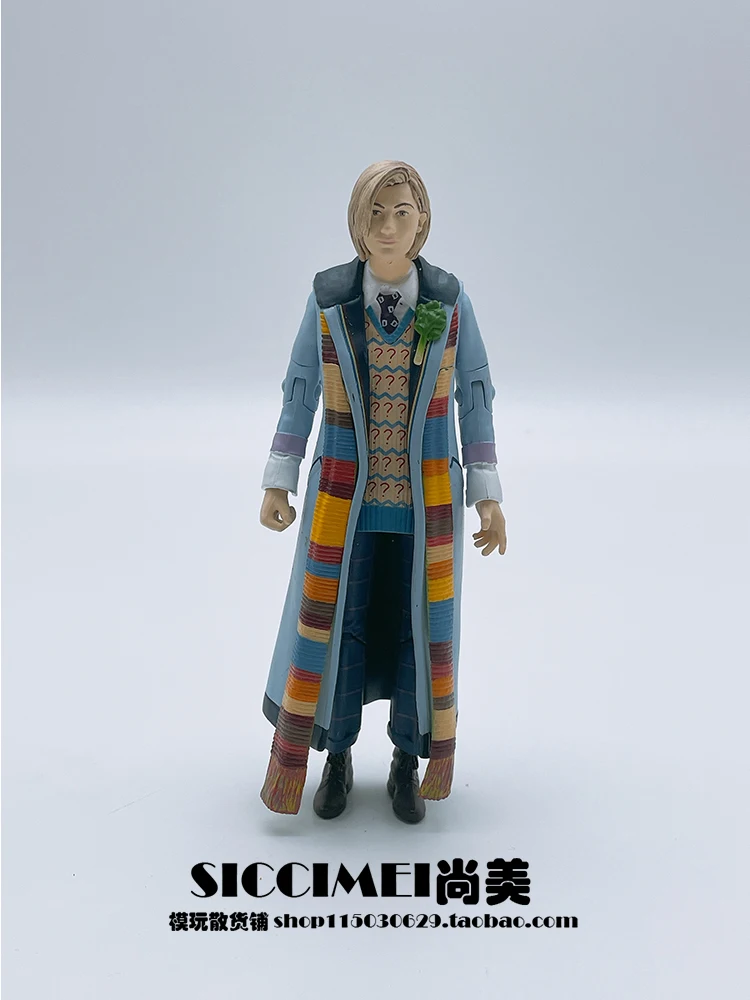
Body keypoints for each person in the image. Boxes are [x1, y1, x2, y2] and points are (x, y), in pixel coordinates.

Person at [258, 160, 506, 823]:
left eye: (402, 212)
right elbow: (300, 389)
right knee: (338, 629)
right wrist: (280, 477)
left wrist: (487, 493)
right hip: (344, 503)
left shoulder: (447, 300)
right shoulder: (330, 299)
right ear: (356, 222)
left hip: (426, 505)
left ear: (422, 222)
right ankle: (335, 757)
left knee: (415, 632)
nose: (389, 226)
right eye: (376, 212)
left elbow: (474, 395)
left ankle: (406, 761)